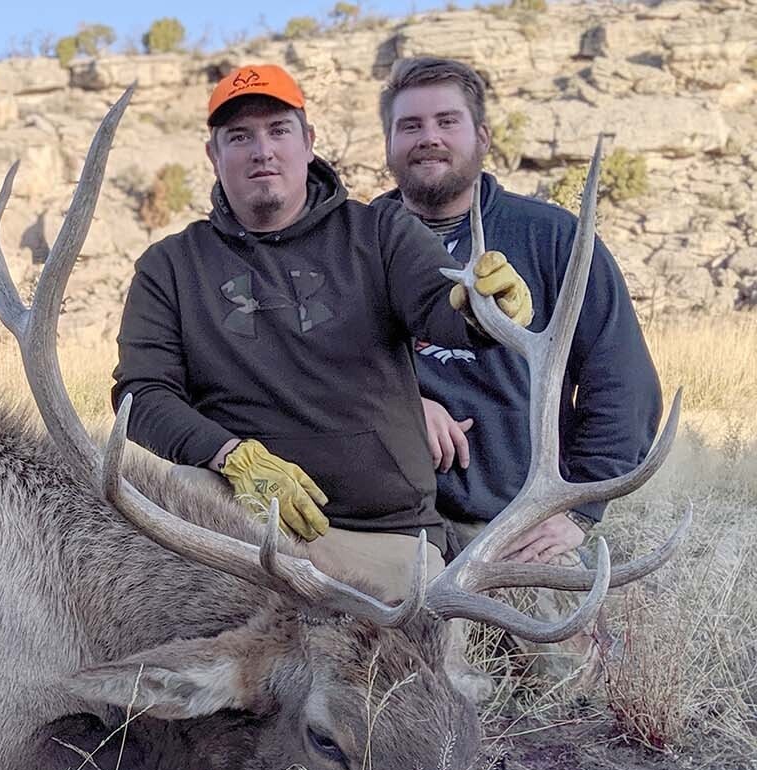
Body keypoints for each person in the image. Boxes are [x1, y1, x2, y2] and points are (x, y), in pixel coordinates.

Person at [110, 62, 534, 672]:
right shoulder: (170, 267)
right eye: (240, 137)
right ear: (212, 154)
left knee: (403, 708)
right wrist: (231, 455)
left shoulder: (381, 231)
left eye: (279, 130)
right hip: (243, 528)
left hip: (383, 540)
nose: (262, 151)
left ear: (308, 142)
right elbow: (142, 394)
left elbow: (440, 305)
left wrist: (483, 308)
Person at [373, 56, 662, 690]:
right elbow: (309, 378)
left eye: (448, 120)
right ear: (390, 144)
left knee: (560, 692)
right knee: (383, 699)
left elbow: (623, 383)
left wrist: (578, 511)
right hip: (387, 528)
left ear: (482, 136)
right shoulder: (356, 242)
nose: (429, 137)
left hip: (513, 523)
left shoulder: (551, 237)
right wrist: (400, 406)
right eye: (410, 125)